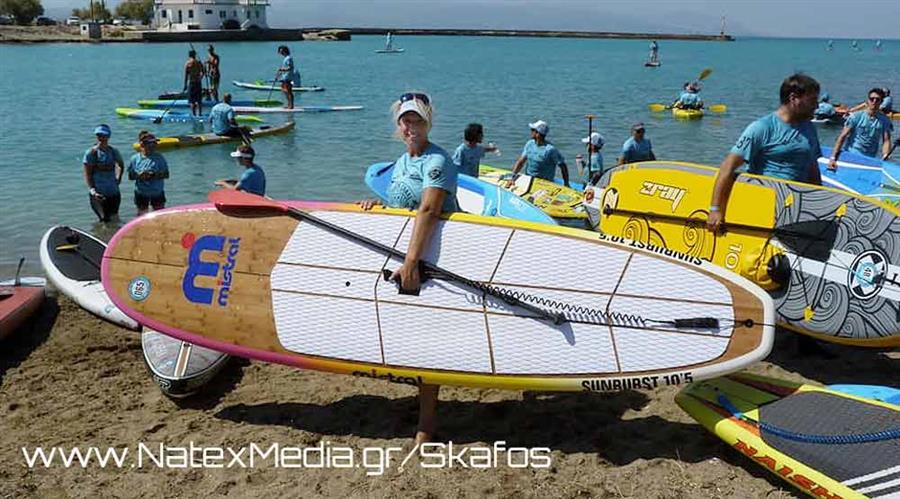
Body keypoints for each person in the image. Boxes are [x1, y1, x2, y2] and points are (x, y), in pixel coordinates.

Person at [358, 92, 457, 444]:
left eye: (416, 120)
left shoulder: (438, 161)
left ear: (428, 121)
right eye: (405, 120)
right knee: (407, 334)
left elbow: (429, 211)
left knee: (427, 335)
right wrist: (377, 207)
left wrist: (412, 262)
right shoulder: (401, 162)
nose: (410, 126)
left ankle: (427, 422)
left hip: (437, 257)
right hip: (408, 255)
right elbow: (404, 210)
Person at [707, 73, 822, 233]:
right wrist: (715, 209)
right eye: (812, 100)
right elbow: (728, 166)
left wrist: (819, 204)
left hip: (796, 208)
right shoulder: (762, 127)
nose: (817, 106)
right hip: (764, 207)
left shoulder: (809, 128)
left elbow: (812, 168)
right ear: (794, 98)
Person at [829, 88, 893, 164]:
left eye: (877, 100)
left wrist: (885, 154)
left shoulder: (884, 120)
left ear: (881, 102)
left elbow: (886, 140)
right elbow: (843, 136)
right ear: (868, 101)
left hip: (870, 158)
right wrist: (833, 157)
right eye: (872, 99)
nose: (874, 102)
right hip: (852, 155)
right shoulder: (856, 117)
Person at [509, 120, 570, 187]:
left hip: (545, 183)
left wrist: (566, 183)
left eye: (532, 130)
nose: (530, 132)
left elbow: (563, 166)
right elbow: (520, 162)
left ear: (538, 133)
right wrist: (512, 177)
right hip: (529, 180)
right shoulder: (530, 144)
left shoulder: (550, 150)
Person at [83, 124, 124, 222]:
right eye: (99, 135)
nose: (102, 138)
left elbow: (121, 165)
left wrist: (118, 179)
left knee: (114, 218)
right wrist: (93, 191)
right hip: (98, 193)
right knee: (104, 219)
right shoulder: (90, 153)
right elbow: (87, 174)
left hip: (113, 192)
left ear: (108, 136)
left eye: (104, 135)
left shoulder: (113, 151)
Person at [128, 131, 170, 216]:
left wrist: (154, 174)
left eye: (155, 143)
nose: (154, 145)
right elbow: (131, 176)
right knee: (142, 215)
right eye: (151, 143)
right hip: (141, 192)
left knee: (159, 215)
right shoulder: (135, 159)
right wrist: (139, 176)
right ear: (143, 144)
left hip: (157, 192)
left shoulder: (159, 158)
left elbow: (166, 174)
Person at [183, 49, 206, 116]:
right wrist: (200, 78)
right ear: (195, 55)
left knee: (192, 101)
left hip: (192, 82)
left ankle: (194, 114)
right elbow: (203, 72)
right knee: (199, 100)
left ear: (189, 55)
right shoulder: (198, 62)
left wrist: (185, 85)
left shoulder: (188, 63)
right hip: (198, 82)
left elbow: (186, 75)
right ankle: (200, 114)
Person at [276, 45, 296, 109]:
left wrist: (283, 69)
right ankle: (289, 104)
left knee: (288, 91)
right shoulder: (285, 58)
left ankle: (291, 106)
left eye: (281, 50)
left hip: (288, 77)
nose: (280, 52)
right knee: (284, 90)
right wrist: (279, 74)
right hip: (284, 77)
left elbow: (290, 67)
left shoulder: (288, 58)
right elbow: (285, 67)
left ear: (284, 51)